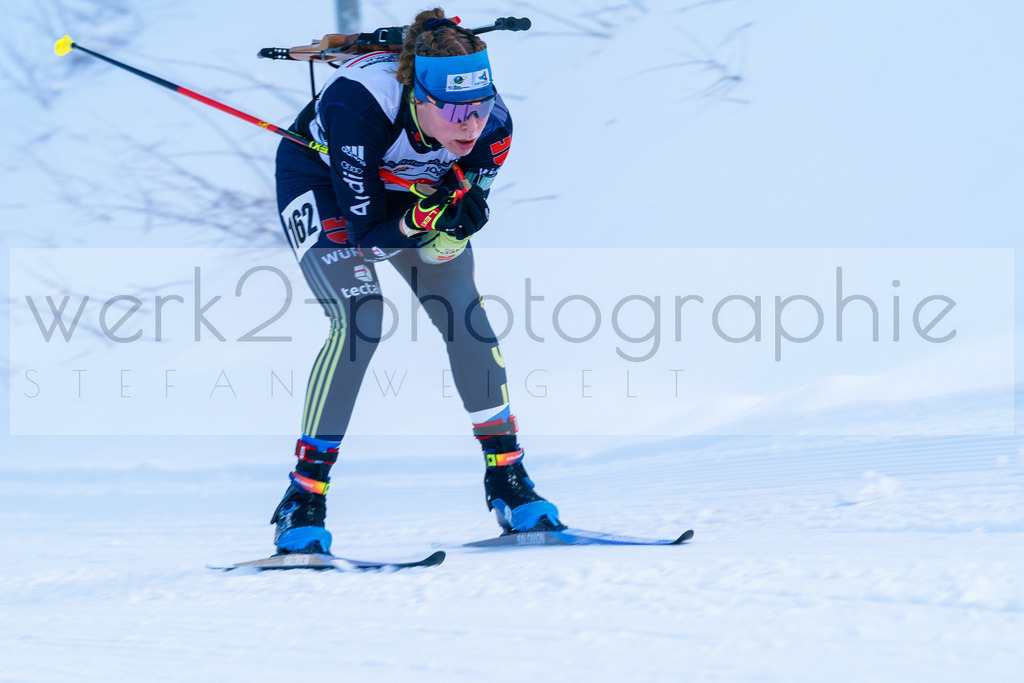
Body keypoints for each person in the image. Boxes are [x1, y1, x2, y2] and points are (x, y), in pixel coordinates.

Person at [271, 8, 562, 554]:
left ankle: (507, 479)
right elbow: (369, 236)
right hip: (323, 181)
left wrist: (450, 228)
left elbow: (448, 233)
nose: (469, 124)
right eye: (453, 109)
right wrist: (427, 218)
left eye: (478, 105)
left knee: (463, 311)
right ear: (418, 97)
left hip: (412, 191)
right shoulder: (358, 106)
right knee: (362, 318)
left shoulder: (493, 126)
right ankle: (303, 496)